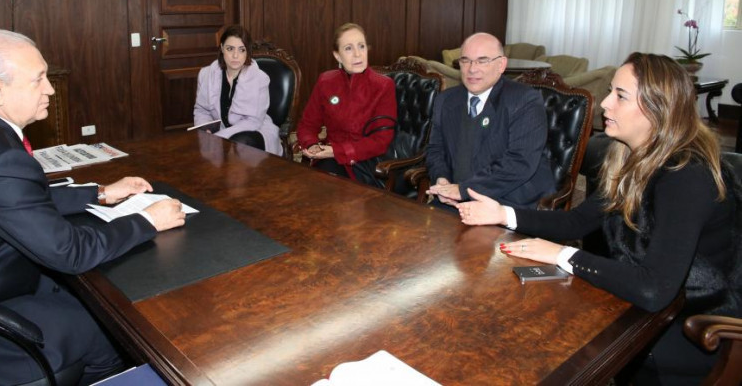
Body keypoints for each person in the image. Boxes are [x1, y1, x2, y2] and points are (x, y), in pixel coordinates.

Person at [0, 29, 187, 385]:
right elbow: (71, 252)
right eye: (38, 79)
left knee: (89, 298)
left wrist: (99, 192)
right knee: (111, 329)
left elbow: (16, 199)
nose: (49, 89)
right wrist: (147, 220)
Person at [456, 52, 741, 384]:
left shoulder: (686, 175)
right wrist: (502, 213)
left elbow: (654, 289)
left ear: (657, 107)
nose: (605, 103)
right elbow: (577, 222)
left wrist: (562, 254)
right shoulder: (629, 158)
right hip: (643, 306)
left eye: (620, 96)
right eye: (611, 91)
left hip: (697, 327)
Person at [425, 32, 554, 208]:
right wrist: (442, 180)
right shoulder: (446, 100)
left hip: (506, 203)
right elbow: (436, 149)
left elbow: (519, 162)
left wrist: (463, 190)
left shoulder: (524, 100)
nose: (472, 69)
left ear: (501, 65)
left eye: (482, 61)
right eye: (465, 60)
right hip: (454, 201)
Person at [296, 23, 396, 185]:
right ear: (337, 56)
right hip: (330, 158)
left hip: (366, 164)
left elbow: (380, 141)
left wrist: (336, 151)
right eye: (348, 48)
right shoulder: (326, 81)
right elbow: (307, 125)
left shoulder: (383, 86)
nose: (358, 54)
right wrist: (312, 144)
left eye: (361, 46)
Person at [193, 25, 283, 156]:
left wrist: (219, 137)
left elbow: (253, 121)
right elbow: (202, 110)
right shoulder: (206, 74)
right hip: (218, 134)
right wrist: (205, 129)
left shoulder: (260, 79)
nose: (235, 55)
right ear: (222, 47)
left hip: (255, 131)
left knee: (239, 143)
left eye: (242, 50)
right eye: (230, 49)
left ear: (247, 52)